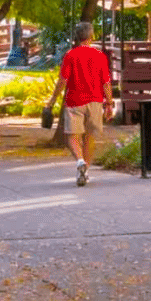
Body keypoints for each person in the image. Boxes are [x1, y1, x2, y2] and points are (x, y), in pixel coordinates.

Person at [46, 22, 113, 186]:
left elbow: (63, 81)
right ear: (91, 37)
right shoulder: (100, 56)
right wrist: (109, 103)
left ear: (76, 38)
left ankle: (80, 162)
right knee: (90, 136)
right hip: (95, 101)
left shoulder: (70, 55)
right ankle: (86, 171)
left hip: (74, 101)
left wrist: (52, 101)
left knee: (72, 136)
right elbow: (106, 82)